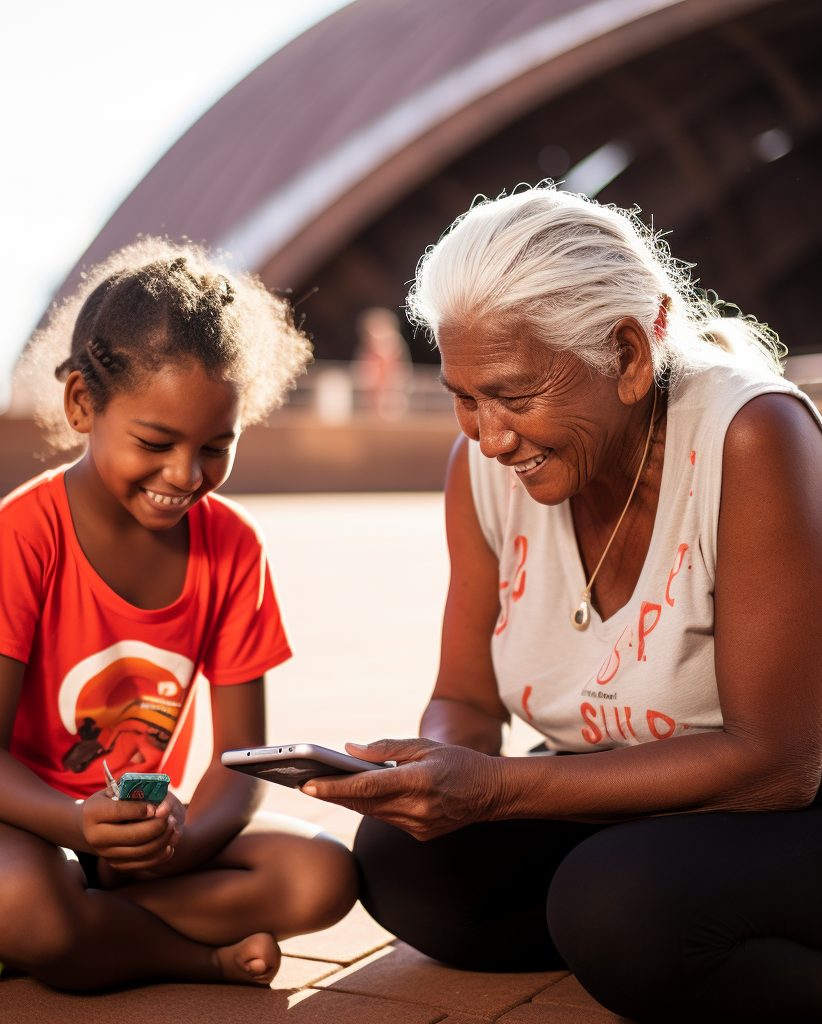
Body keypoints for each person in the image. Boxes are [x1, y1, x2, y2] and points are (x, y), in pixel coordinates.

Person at [302, 188, 822, 1024]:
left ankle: (650, 923)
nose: (489, 435)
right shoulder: (480, 470)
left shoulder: (753, 434)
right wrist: (432, 772)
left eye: (512, 394)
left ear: (626, 354)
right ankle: (661, 923)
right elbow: (466, 698)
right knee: (404, 859)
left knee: (616, 908)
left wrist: (499, 792)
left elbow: (777, 763)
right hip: (628, 797)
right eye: (464, 397)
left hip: (785, 801)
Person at [0, 238, 357, 997]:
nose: (185, 474)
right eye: (156, 441)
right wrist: (74, 826)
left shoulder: (235, 548)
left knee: (323, 876)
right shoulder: (26, 532)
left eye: (216, 446)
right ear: (82, 403)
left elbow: (241, 763)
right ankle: (185, 957)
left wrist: (183, 840)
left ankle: (31, 944)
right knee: (25, 903)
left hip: (134, 843)